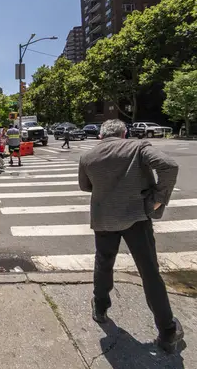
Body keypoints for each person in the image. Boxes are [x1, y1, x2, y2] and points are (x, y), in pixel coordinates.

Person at [78, 119, 184, 354]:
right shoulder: (137, 147)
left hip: (104, 217)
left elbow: (85, 187)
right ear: (124, 133)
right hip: (136, 217)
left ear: (100, 136)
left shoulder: (88, 157)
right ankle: (167, 330)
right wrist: (158, 198)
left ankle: (101, 307)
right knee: (149, 271)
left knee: (104, 263)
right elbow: (169, 166)